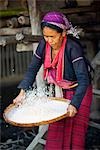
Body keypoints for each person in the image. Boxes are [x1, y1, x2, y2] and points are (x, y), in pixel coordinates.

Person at [13, 11, 93, 150]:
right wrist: (22, 93)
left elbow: (83, 79)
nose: (49, 40)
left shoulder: (72, 48)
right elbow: (33, 68)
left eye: (52, 36)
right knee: (57, 128)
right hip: (61, 90)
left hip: (80, 90)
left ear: (62, 33)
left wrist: (74, 104)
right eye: (46, 36)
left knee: (76, 132)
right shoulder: (44, 45)